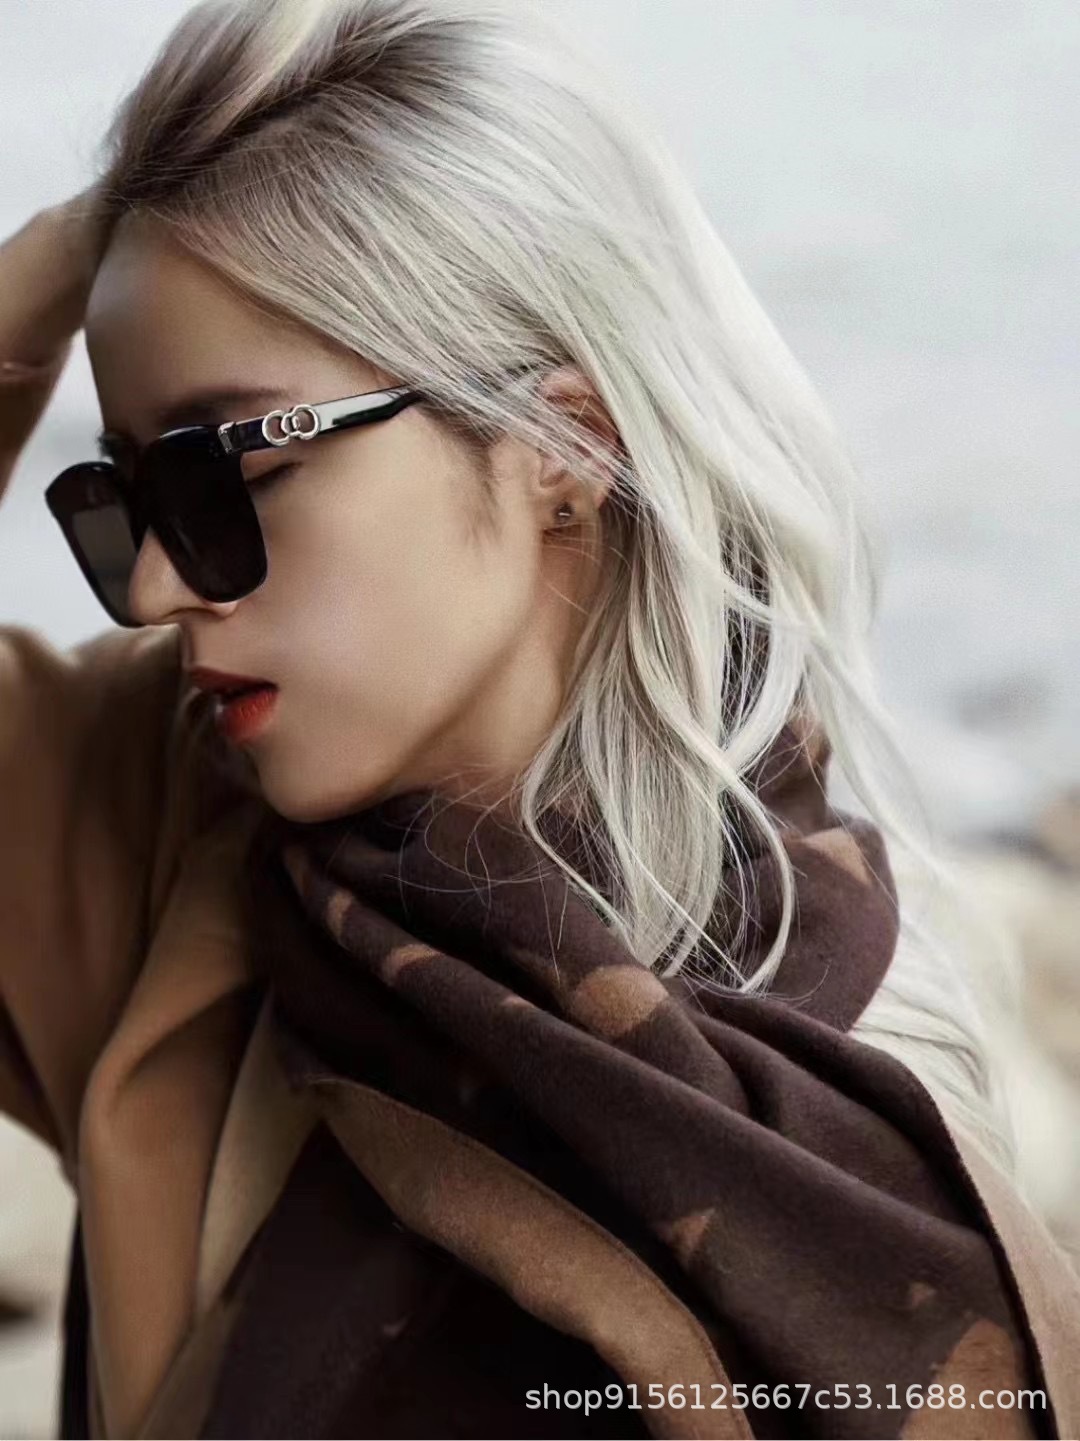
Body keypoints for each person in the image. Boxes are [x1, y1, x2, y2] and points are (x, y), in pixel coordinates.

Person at [2, 1, 1078, 1437]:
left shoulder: (850, 1113)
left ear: (563, 443)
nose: (151, 588)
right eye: (124, 498)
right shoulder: (182, 852)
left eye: (224, 476)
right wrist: (71, 246)